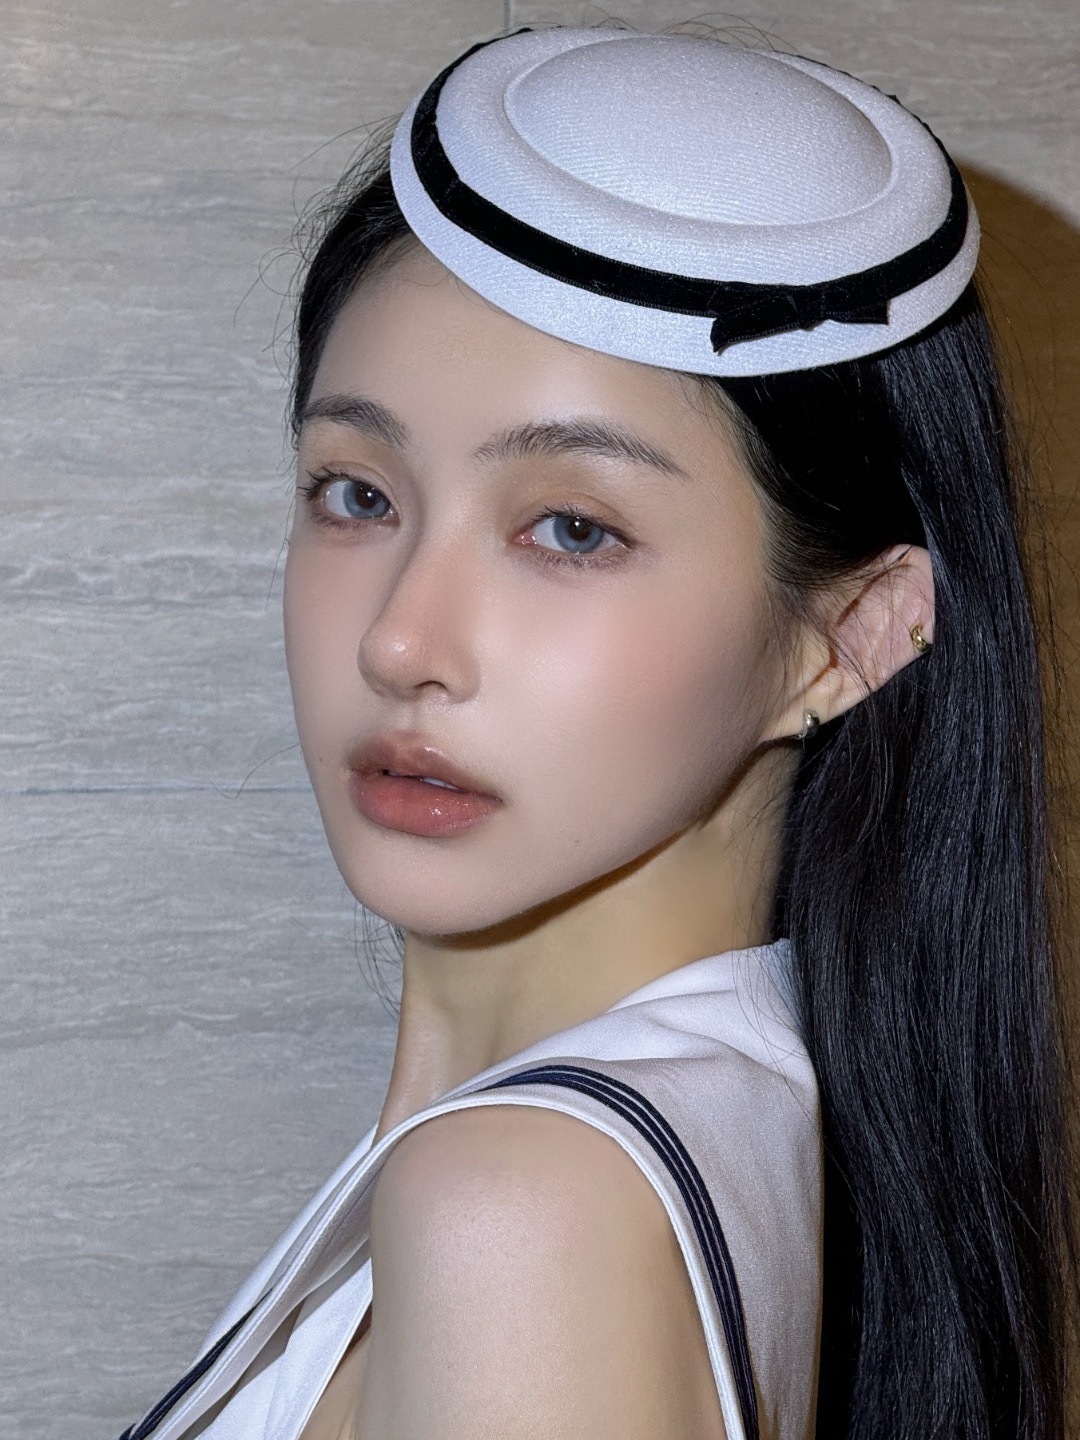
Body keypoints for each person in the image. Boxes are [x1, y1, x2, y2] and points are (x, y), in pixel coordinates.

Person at [118, 24, 1075, 1440]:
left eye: (572, 528)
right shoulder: (669, 1140)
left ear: (853, 635)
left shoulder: (523, 1213)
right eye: (359, 494)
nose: (399, 642)